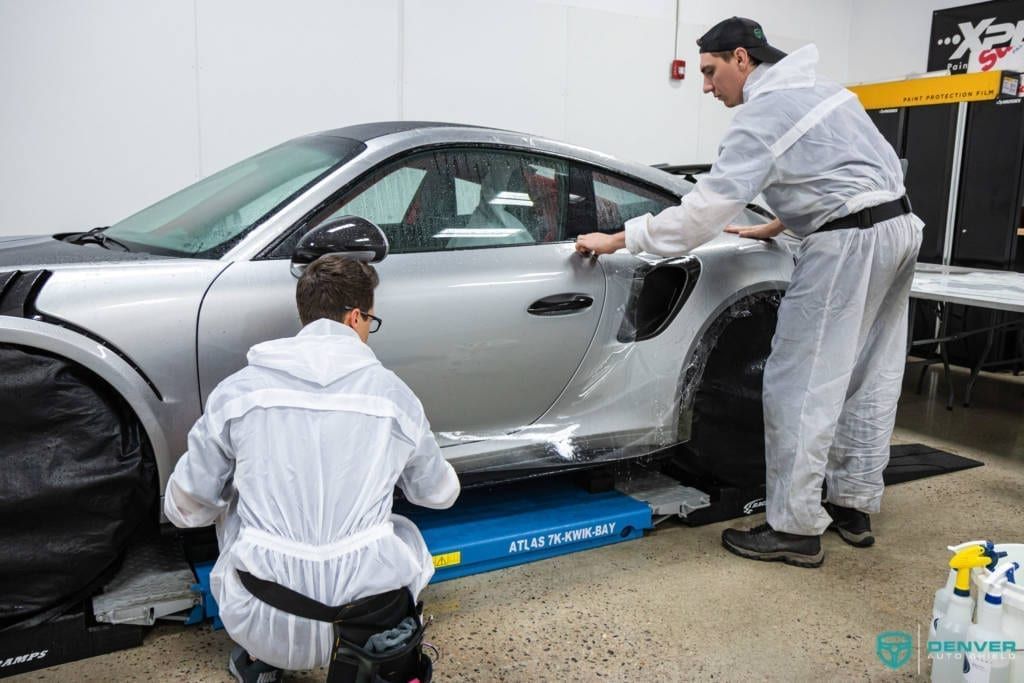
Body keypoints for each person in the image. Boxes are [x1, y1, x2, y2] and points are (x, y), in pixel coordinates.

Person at [575, 17, 922, 568]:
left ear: (742, 58)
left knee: (798, 385)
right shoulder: (823, 90)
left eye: (711, 72)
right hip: (898, 229)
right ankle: (852, 503)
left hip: (847, 244)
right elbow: (845, 173)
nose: (708, 87)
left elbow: (701, 214)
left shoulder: (760, 115)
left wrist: (620, 238)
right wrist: (776, 224)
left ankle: (795, 529)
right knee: (867, 375)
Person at [163, 254, 460, 680]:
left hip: (262, 619)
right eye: (370, 322)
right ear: (357, 316)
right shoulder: (395, 398)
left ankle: (263, 664)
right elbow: (439, 495)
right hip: (367, 621)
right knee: (400, 531)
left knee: (229, 501)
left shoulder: (237, 392)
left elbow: (185, 509)